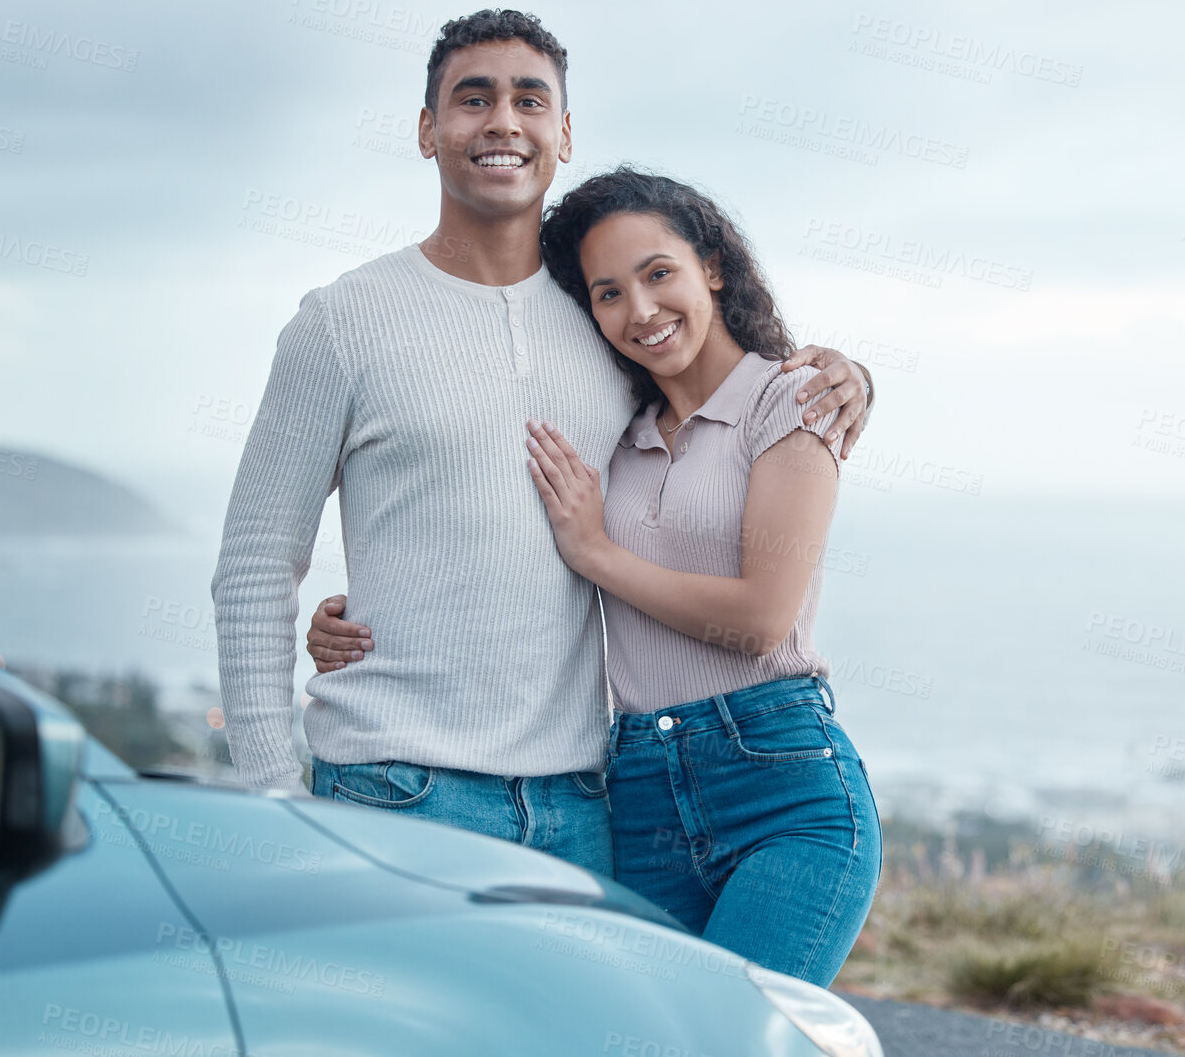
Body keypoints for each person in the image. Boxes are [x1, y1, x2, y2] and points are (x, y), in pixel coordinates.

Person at [210, 9, 874, 881]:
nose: (502, 122)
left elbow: (712, 410)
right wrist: (269, 795)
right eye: (472, 99)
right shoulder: (341, 322)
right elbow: (257, 563)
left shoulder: (606, 321)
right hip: (394, 790)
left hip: (585, 808)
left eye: (530, 100)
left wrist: (853, 375)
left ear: (563, 134)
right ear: (426, 130)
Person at [305, 166, 880, 986]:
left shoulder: (792, 398)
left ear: (711, 265)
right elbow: (489, 532)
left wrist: (599, 553)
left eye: (658, 274)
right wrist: (358, 618)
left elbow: (761, 617)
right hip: (638, 788)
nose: (641, 311)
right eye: (609, 293)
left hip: (779, 779)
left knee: (734, 1037)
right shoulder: (615, 425)